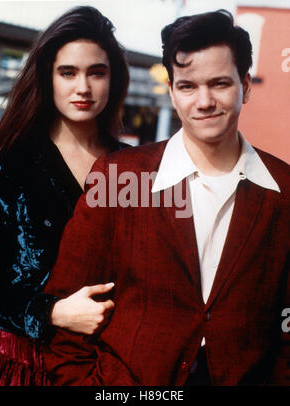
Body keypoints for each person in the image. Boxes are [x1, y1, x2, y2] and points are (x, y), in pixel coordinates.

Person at [43, 10, 290, 386]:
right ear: (172, 92)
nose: (204, 101)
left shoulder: (283, 190)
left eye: (220, 83)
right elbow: (68, 306)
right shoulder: (120, 177)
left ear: (246, 85)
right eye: (188, 86)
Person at [0, 6, 129, 386]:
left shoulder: (134, 168)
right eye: (67, 72)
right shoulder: (8, 164)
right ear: (47, 77)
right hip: (23, 365)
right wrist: (50, 312)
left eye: (96, 72)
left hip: (109, 368)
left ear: (113, 80)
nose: (82, 88)